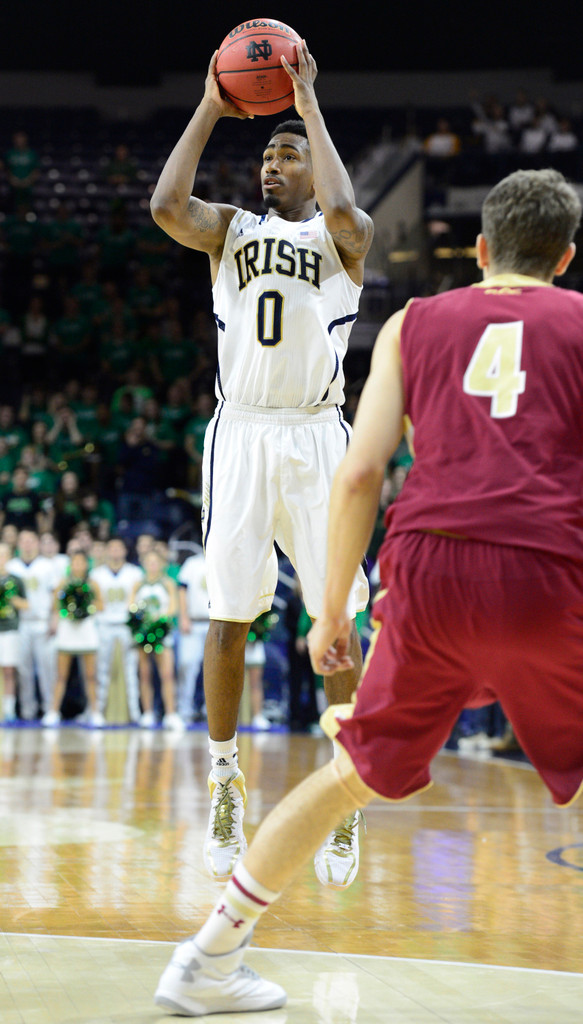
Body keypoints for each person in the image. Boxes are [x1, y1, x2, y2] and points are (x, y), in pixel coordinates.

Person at [155, 167, 583, 1015]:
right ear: (565, 259)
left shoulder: (414, 322)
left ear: (479, 250)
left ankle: (208, 960)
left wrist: (329, 612)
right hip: (545, 570)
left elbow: (358, 473)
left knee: (348, 775)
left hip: (430, 574)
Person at [150, 40, 372, 885]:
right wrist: (213, 103)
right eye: (267, 155)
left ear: (314, 167)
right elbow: (166, 204)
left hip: (317, 435)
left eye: (288, 155)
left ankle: (344, 793)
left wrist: (307, 105)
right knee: (228, 613)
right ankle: (224, 784)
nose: (272, 165)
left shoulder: (343, 236)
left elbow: (346, 214)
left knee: (335, 620)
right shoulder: (230, 231)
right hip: (241, 431)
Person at [43, 550, 103, 727]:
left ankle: (95, 712)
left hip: (86, 630)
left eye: (81, 562)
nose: (77, 565)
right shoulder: (63, 583)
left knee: (90, 675)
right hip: (67, 630)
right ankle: (53, 711)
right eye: (74, 562)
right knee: (61, 675)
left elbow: (101, 605)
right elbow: (55, 605)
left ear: (86, 565)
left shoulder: (92, 584)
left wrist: (84, 606)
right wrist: (69, 609)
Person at [90, 537, 143, 723]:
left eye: (118, 548)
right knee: (101, 669)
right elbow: (96, 602)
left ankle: (135, 713)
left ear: (125, 551)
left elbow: (136, 601)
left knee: (131, 670)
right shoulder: (96, 574)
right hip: (104, 624)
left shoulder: (134, 573)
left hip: (127, 625)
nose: (115, 551)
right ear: (106, 551)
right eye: (111, 548)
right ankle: (98, 712)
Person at [8, 528, 59, 719]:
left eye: (31, 540)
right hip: (20, 623)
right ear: (18, 544)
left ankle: (49, 709)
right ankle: (27, 710)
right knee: (23, 669)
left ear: (37, 543)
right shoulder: (12, 566)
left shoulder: (47, 565)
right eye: (24, 540)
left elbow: (56, 594)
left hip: (42, 622)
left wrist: (55, 618)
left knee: (47, 668)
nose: (27, 544)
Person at [128, 548, 181, 730]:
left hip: (162, 633)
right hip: (143, 633)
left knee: (167, 674)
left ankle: (171, 714)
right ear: (143, 564)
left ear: (162, 564)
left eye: (155, 562)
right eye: (149, 562)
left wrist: (159, 621)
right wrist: (143, 622)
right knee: (144, 674)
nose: (152, 565)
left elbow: (173, 608)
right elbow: (131, 606)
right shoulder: (138, 584)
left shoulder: (168, 583)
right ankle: (148, 713)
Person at [177, 549, 209, 723]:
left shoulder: (224, 558)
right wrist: (183, 617)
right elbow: (182, 590)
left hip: (216, 623)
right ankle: (185, 709)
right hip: (193, 622)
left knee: (215, 669)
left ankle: (210, 711)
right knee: (187, 664)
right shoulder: (192, 563)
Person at [0, 541, 28, 721]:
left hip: (10, 629)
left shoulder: (15, 580)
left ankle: (9, 710)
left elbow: (26, 604)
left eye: (3, 555)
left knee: (9, 670)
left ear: (9, 557)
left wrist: (11, 598)